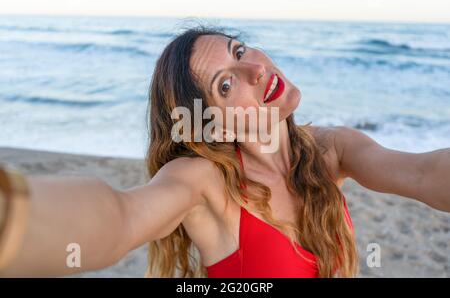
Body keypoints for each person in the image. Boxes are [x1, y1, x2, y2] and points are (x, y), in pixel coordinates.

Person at [0, 26, 449, 278]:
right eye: (226, 84)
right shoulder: (205, 182)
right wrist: (13, 216)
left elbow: (425, 174)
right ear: (208, 122)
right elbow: (121, 217)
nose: (257, 68)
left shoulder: (331, 150)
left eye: (239, 50)